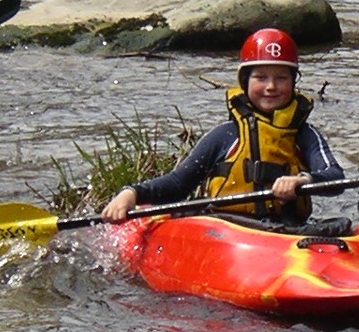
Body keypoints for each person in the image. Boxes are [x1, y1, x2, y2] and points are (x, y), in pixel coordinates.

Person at [101, 27, 345, 229]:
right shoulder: (225, 135)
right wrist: (130, 193)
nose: (271, 86)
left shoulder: (305, 134)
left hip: (287, 229)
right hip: (229, 229)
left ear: (293, 83)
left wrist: (302, 180)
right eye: (261, 77)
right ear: (245, 82)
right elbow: (178, 185)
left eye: (281, 78)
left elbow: (335, 178)